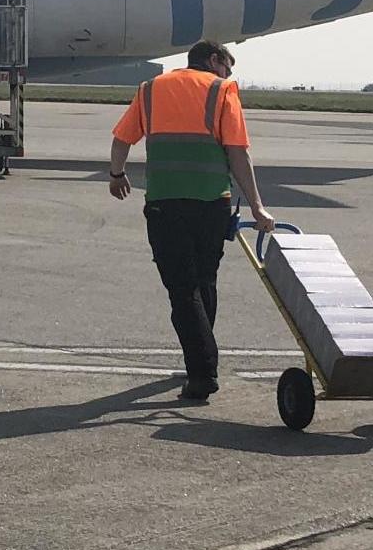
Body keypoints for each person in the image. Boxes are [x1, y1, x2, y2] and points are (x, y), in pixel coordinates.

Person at [107, 41, 275, 403]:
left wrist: (117, 174)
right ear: (214, 60)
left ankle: (201, 372)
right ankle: (201, 359)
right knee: (204, 281)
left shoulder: (150, 89)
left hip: (165, 204)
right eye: (226, 67)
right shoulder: (222, 90)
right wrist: (258, 206)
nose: (228, 75)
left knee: (183, 289)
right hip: (212, 204)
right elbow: (237, 152)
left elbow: (122, 139)